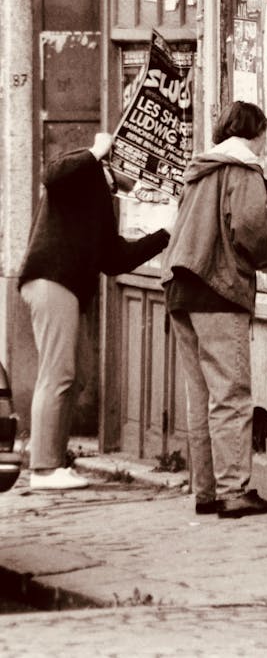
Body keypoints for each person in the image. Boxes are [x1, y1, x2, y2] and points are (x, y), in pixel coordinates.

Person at [161, 101, 267, 519]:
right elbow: (249, 232)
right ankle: (234, 490)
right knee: (231, 394)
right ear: (256, 133)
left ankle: (206, 490)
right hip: (217, 290)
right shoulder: (243, 172)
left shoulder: (203, 169)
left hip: (182, 289)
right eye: (266, 136)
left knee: (202, 395)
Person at [17, 133, 171, 490]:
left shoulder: (104, 195)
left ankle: (55, 460)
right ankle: (43, 468)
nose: (144, 185)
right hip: (52, 279)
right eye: (142, 173)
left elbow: (113, 259)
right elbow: (51, 173)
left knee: (78, 374)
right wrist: (94, 151)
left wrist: (164, 235)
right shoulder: (84, 171)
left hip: (65, 286)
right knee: (58, 374)